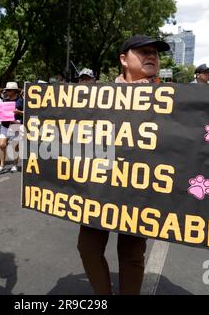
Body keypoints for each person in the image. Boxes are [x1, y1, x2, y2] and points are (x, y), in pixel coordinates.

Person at [77, 35, 170, 295]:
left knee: (131, 253)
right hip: (99, 187)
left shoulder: (171, 98)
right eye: (143, 51)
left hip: (140, 189)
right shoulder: (98, 96)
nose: (151, 56)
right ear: (123, 60)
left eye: (155, 52)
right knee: (88, 247)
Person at [0, 82, 24, 175]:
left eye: (9, 90)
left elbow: (26, 112)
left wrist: (18, 112)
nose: (6, 91)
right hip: (5, 125)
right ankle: (1, 165)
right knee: (2, 145)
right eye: (6, 90)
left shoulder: (21, 101)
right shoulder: (4, 100)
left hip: (15, 126)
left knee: (15, 146)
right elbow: (1, 112)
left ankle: (15, 165)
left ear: (15, 91)